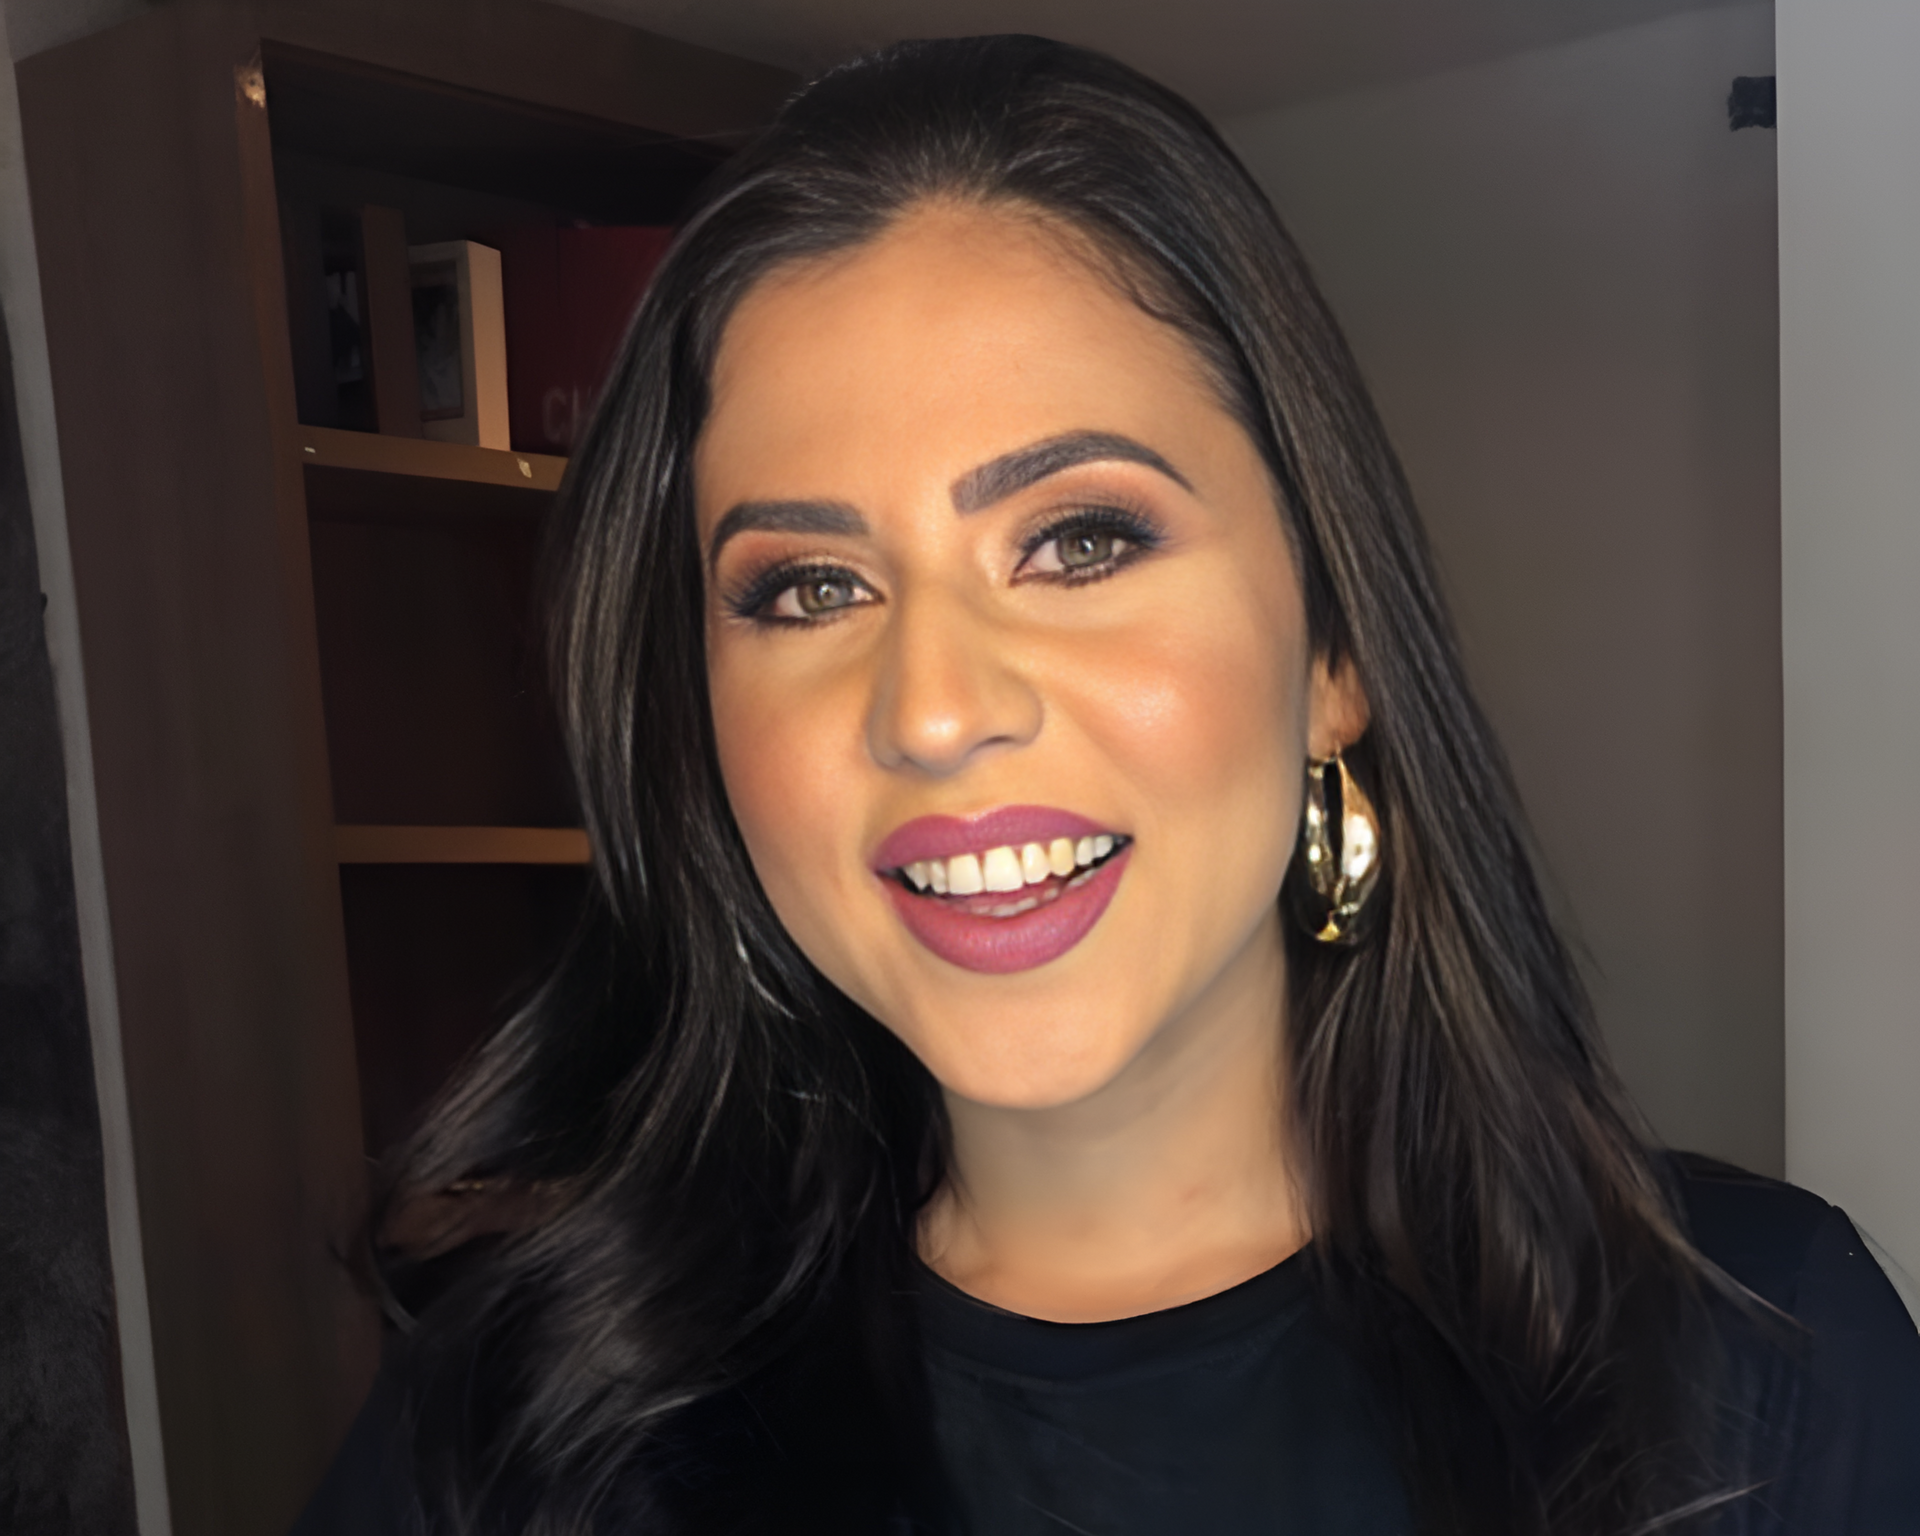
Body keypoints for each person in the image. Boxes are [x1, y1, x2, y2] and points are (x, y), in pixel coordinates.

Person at [295, 34, 1920, 1536]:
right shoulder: (511, 1441)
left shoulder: (1762, 1367)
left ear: (1332, 652)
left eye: (1079, 541)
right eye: (809, 587)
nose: (935, 711)